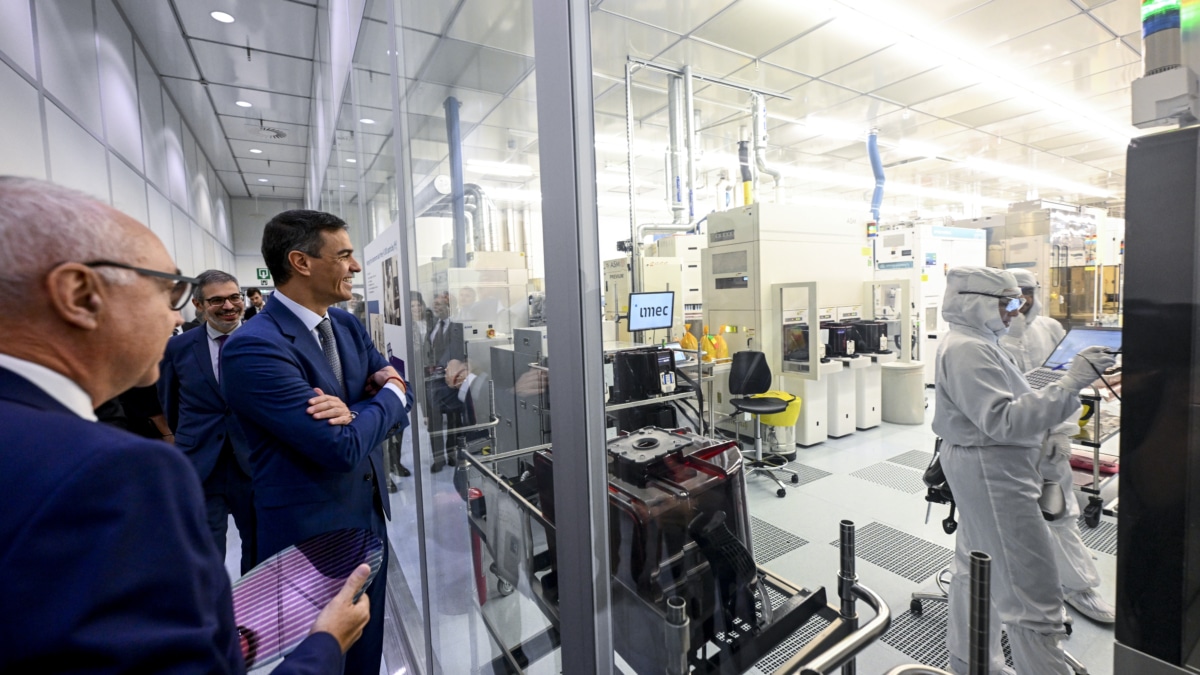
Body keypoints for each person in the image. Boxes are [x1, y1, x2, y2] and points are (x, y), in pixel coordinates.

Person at [0, 176, 370, 673]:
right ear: (79, 294)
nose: (176, 315)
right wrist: (323, 644)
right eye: (169, 289)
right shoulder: (111, 473)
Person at [221, 209, 411, 675]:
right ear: (301, 262)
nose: (356, 266)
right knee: (325, 658)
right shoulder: (253, 347)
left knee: (367, 651)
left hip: (368, 517)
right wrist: (384, 397)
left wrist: (374, 400)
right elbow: (341, 447)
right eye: (344, 255)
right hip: (311, 536)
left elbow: (395, 383)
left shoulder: (344, 326)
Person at [933, 266, 1116, 675]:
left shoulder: (976, 341)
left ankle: (972, 660)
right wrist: (1070, 385)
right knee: (1031, 589)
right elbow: (1003, 421)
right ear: (975, 302)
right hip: (992, 467)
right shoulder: (969, 348)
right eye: (1007, 303)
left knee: (974, 565)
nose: (1015, 312)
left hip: (984, 461)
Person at [999, 269, 1116, 624]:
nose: (1021, 302)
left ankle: (1078, 587)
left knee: (1061, 514)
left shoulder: (1049, 329)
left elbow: (1067, 383)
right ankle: (1020, 592)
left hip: (1048, 441)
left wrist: (1063, 433)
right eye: (1012, 296)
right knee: (1010, 525)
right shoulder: (987, 338)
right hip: (1006, 446)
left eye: (1027, 293)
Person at [158, 269, 259, 574]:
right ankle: (215, 617)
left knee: (258, 545)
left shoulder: (264, 341)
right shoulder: (177, 348)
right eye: (216, 300)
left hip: (253, 463)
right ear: (199, 306)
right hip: (201, 466)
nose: (228, 306)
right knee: (205, 553)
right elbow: (170, 404)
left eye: (234, 297)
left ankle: (251, 616)